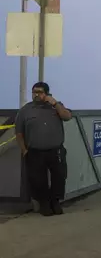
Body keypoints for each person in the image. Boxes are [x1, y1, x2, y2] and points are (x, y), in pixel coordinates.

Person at [15, 82, 73, 216]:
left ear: (46, 93)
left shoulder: (55, 107)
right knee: (38, 179)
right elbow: (19, 133)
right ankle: (44, 204)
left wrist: (55, 104)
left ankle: (55, 202)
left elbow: (67, 116)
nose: (36, 95)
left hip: (55, 150)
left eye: (40, 92)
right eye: (34, 92)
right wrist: (24, 150)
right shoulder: (25, 110)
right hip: (35, 151)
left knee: (59, 176)